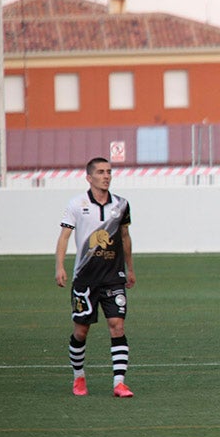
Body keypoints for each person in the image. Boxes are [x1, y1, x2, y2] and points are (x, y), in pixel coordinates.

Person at [54, 157, 136, 398]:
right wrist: (59, 266)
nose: (106, 176)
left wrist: (130, 268)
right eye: (100, 172)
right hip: (85, 279)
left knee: (117, 326)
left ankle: (119, 383)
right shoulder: (77, 204)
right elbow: (64, 237)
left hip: (113, 277)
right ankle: (78, 376)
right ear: (89, 177)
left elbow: (125, 237)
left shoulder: (121, 204)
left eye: (109, 171)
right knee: (81, 331)